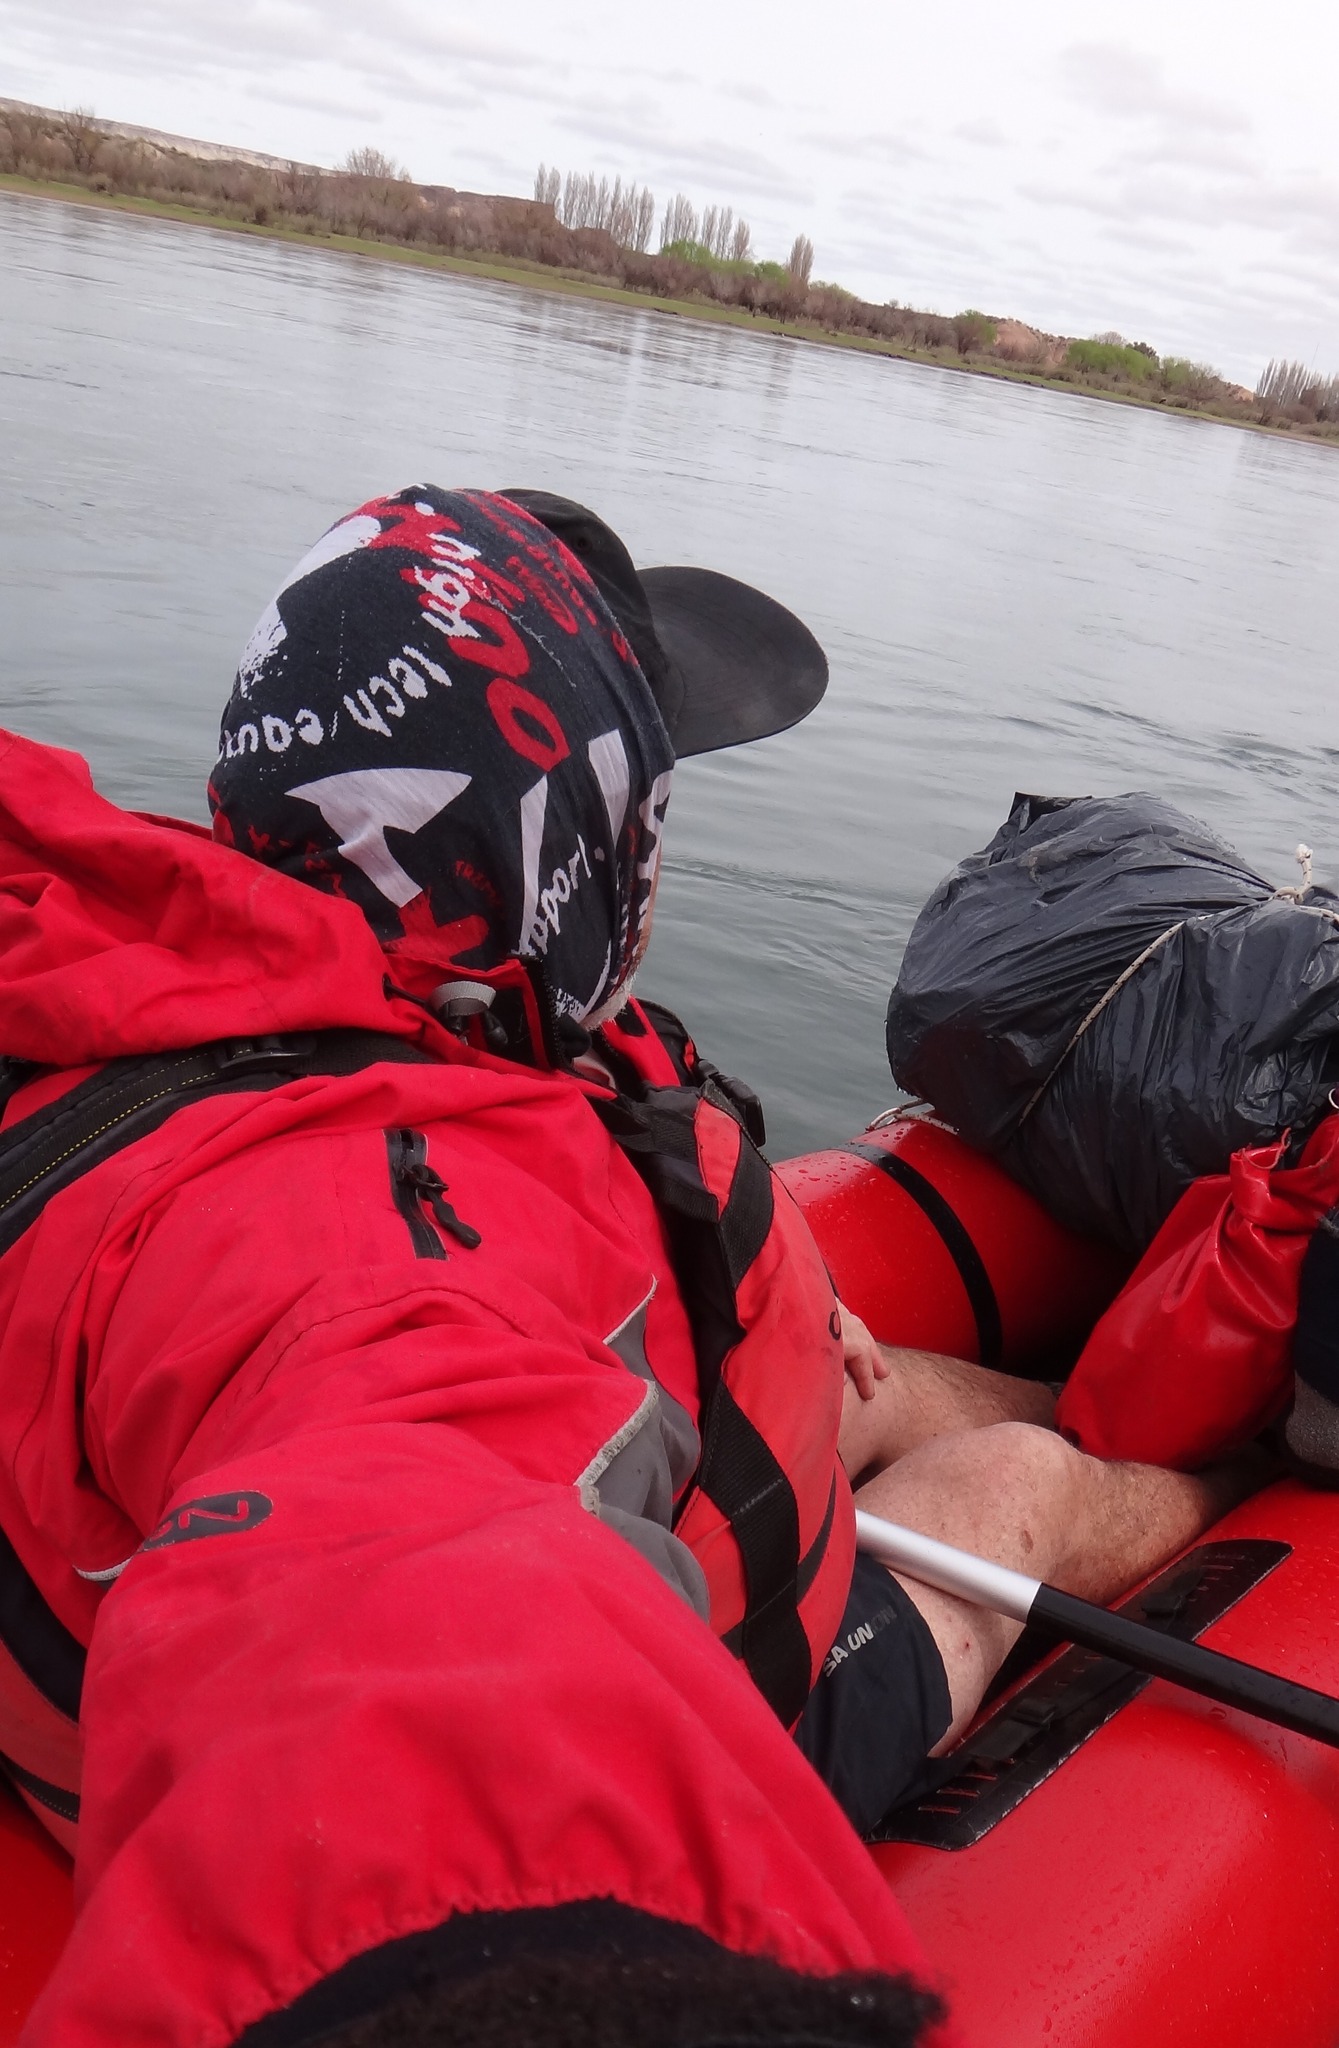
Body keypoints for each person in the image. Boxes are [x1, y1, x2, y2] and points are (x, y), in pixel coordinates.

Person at [0, 485, 1253, 2047]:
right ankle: (1248, 1487)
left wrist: (773, 1307)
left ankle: (1117, 1391)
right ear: (570, 843)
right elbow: (400, 1611)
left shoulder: (263, 999)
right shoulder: (374, 1252)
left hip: (605, 1436)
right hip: (712, 1676)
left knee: (885, 1377)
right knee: (1013, 1484)